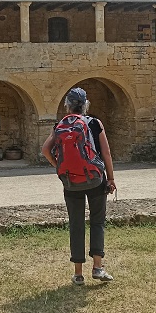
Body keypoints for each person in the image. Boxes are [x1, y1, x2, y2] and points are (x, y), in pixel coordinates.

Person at [42, 87, 117, 286]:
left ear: (67, 105)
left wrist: (59, 166)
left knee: (76, 224)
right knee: (97, 221)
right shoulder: (94, 123)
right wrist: (110, 178)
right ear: (85, 105)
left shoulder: (60, 125)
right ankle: (98, 268)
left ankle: (78, 274)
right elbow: (106, 153)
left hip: (70, 182)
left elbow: (45, 150)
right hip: (94, 178)